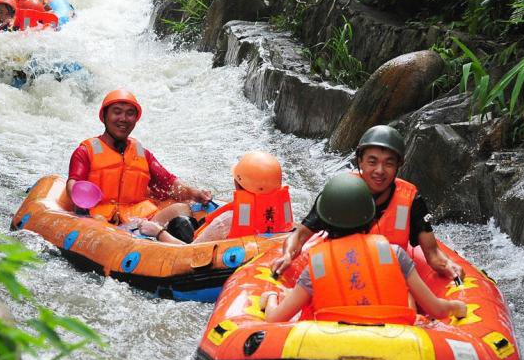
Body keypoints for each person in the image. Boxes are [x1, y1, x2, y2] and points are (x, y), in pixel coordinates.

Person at [260, 174, 467, 323]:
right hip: (396, 350)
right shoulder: (396, 255)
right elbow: (437, 309)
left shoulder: (317, 265)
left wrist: (271, 297)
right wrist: (457, 306)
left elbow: (274, 319)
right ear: (370, 218)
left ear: (324, 220)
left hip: (330, 351)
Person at [271, 125, 465, 280]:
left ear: (400, 165)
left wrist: (449, 266)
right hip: (341, 272)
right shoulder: (340, 193)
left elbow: (432, 253)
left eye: (389, 163)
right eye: (372, 162)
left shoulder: (412, 200)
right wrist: (288, 255)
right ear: (360, 162)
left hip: (389, 277)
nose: (380, 170)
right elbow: (301, 235)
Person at [66, 89, 212, 243]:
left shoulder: (142, 154)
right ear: (104, 116)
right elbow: (73, 183)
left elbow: (169, 183)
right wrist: (79, 196)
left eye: (130, 113)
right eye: (117, 112)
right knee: (101, 225)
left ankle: (190, 251)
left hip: (139, 221)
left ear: (135, 119)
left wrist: (194, 193)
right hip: (102, 222)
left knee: (181, 210)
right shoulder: (85, 151)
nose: (123, 118)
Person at [193, 151, 293, 243]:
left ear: (237, 184)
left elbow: (193, 250)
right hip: (268, 250)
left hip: (229, 257)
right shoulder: (283, 212)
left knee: (182, 221)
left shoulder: (226, 220)